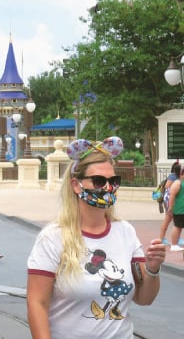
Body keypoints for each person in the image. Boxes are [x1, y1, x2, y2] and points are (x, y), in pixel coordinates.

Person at [26, 137, 165, 338]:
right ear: (76, 185)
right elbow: (36, 302)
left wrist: (153, 269)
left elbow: (144, 298)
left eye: (113, 181)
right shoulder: (52, 237)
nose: (108, 188)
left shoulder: (125, 232)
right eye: (99, 181)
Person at [159, 161, 181, 246]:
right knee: (168, 219)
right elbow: (167, 186)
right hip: (170, 201)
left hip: (174, 202)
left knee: (176, 221)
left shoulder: (178, 177)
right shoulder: (173, 176)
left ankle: (176, 238)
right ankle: (161, 238)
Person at [167, 174, 184, 252]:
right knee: (177, 226)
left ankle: (175, 244)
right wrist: (170, 207)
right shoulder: (178, 183)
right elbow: (172, 195)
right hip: (180, 209)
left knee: (179, 227)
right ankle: (174, 245)